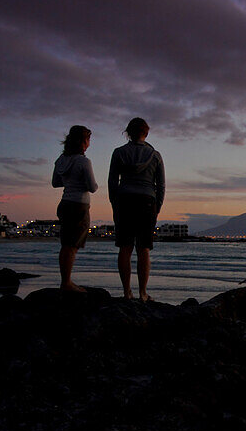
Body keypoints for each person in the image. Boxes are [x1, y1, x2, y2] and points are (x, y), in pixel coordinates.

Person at [108, 117, 165, 301]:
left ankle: (127, 292)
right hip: (147, 201)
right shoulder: (155, 155)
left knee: (125, 247)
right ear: (146, 133)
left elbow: (112, 182)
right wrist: (158, 206)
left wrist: (114, 203)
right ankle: (142, 293)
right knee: (144, 248)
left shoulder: (118, 153)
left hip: (124, 200)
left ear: (128, 133)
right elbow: (161, 185)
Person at [52, 125, 98, 292]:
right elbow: (92, 187)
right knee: (71, 246)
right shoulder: (83, 161)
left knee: (66, 244)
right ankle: (67, 283)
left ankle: (66, 280)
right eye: (88, 139)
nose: (89, 143)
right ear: (83, 141)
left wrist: (69, 180)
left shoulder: (61, 160)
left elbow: (55, 183)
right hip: (79, 205)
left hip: (64, 203)